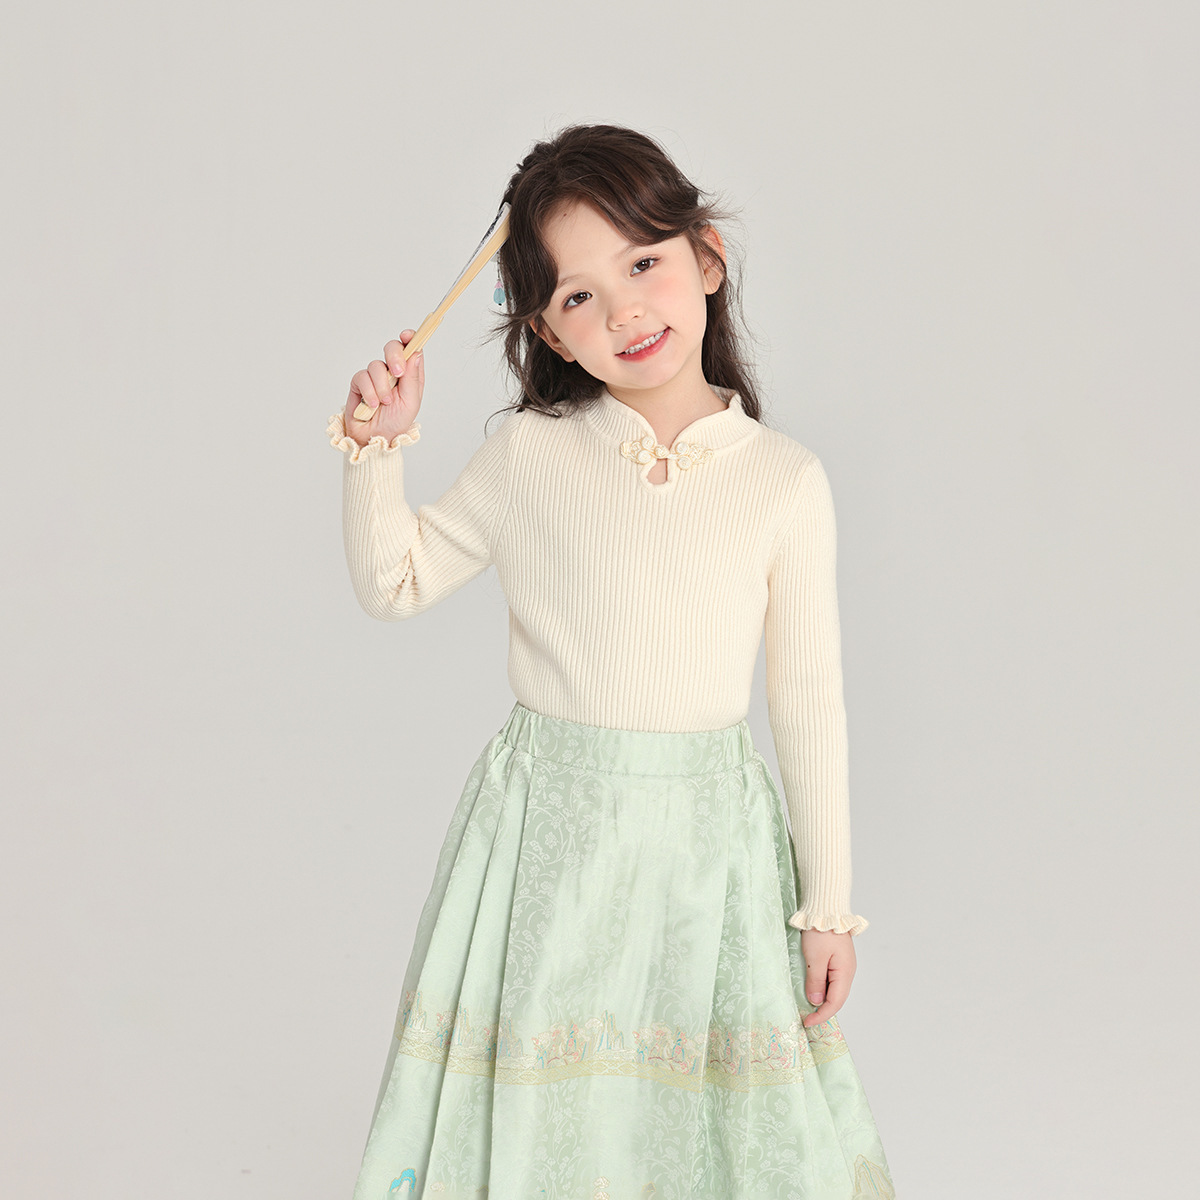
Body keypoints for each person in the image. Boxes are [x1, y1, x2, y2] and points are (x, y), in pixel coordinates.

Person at [325, 123, 896, 1200]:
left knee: (697, 1124)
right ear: (546, 327)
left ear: (707, 257)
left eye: (644, 263)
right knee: (553, 1112)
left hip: (709, 853)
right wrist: (375, 449)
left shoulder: (783, 480)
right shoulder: (530, 455)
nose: (626, 311)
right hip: (549, 839)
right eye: (580, 295)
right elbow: (395, 583)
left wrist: (828, 906)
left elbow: (808, 702)